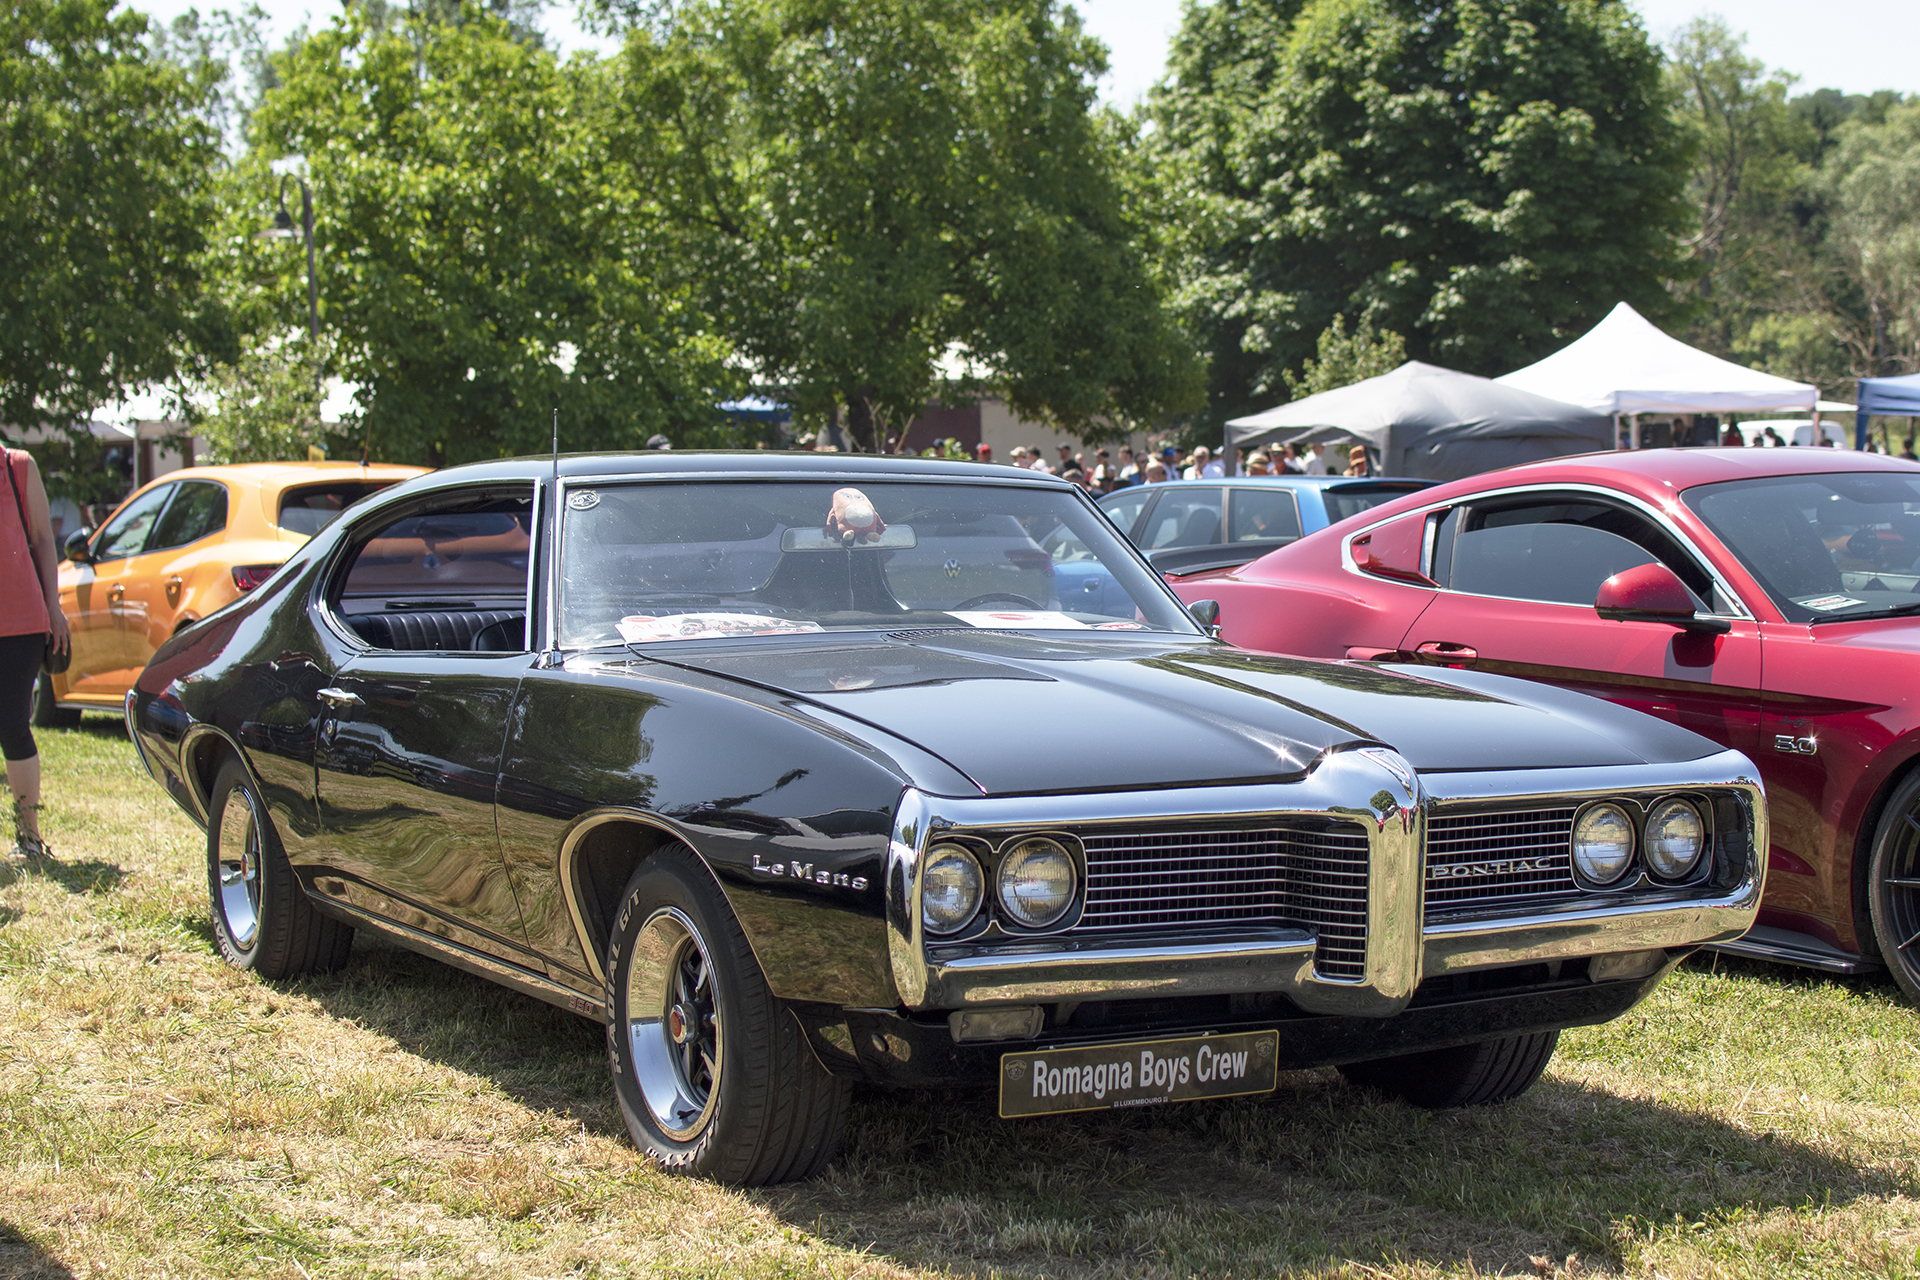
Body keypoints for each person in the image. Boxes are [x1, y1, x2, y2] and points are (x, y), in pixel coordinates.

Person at [2, 447, 70, 864]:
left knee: (10, 723)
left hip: (22, 622)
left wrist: (54, 607)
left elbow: (44, 540)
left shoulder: (18, 467)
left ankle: (30, 837)